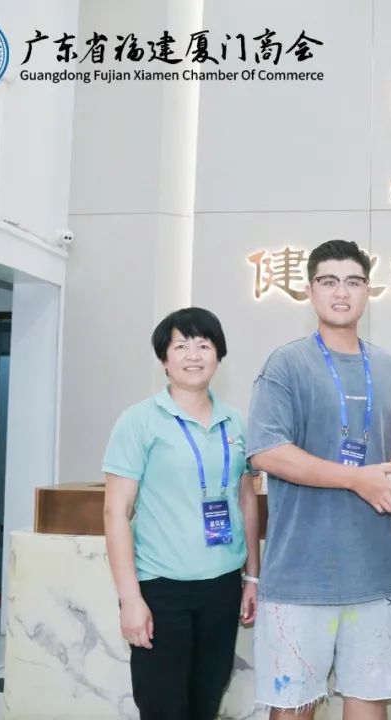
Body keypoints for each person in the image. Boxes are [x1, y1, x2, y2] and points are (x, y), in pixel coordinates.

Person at [246, 239, 391, 719]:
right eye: (329, 281)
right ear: (310, 291)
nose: (342, 292)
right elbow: (266, 451)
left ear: (368, 292)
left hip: (376, 576)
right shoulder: (286, 365)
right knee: (292, 708)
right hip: (299, 578)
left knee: (369, 705)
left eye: (354, 282)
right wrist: (355, 479)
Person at [102, 307, 260, 720]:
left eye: (204, 345)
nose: (193, 355)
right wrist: (130, 599)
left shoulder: (235, 423)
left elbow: (246, 499)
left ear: (218, 356)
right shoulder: (138, 421)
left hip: (222, 586)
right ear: (164, 359)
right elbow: (116, 512)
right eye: (181, 346)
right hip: (161, 588)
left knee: (206, 702)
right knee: (163, 707)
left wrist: (252, 576)